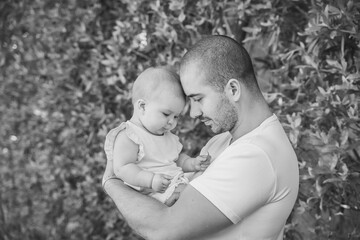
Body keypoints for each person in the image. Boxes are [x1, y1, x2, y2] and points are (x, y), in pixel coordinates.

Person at [102, 35, 299, 240]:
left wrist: (112, 182)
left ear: (233, 89)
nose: (193, 113)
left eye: (198, 99)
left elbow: (163, 228)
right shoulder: (221, 143)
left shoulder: (257, 155)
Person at [104, 67, 211, 206]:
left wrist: (192, 163)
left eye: (176, 116)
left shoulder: (167, 136)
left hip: (177, 184)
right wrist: (151, 180)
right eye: (166, 114)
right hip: (154, 195)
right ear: (142, 107)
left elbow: (177, 159)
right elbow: (122, 168)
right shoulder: (129, 135)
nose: (172, 122)